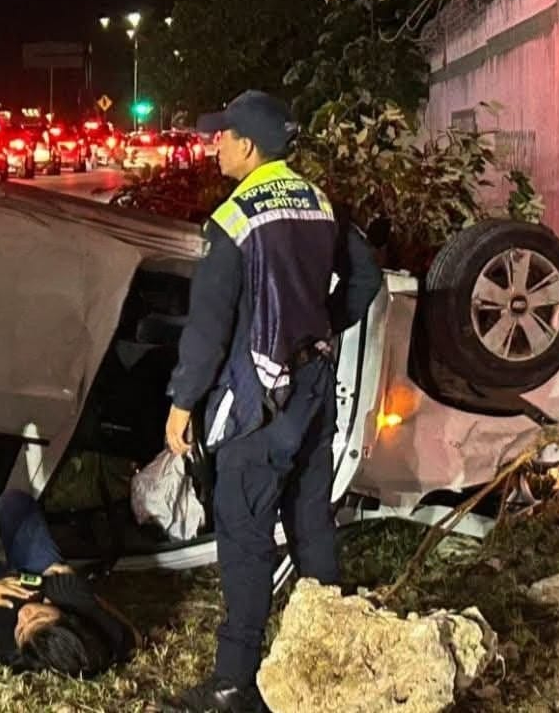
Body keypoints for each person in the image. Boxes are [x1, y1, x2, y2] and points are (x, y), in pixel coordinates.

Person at [164, 91, 382, 712]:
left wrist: (183, 404)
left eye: (222, 136)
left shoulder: (233, 221)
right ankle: (329, 660)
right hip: (313, 391)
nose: (214, 146)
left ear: (250, 146)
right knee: (311, 524)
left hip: (256, 401)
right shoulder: (321, 204)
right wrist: (321, 325)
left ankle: (235, 683)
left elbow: (207, 329)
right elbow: (365, 280)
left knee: (245, 536)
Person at [0, 490, 139, 676]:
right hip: (36, 577)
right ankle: (10, 541)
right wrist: (91, 600)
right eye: (40, 616)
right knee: (14, 501)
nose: (25, 615)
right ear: (65, 616)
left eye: (22, 630)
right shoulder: (74, 600)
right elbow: (132, 636)